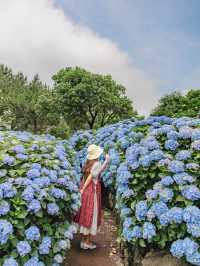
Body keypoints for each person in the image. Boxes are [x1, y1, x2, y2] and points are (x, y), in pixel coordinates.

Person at [73, 144, 110, 250]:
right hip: (92, 191)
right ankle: (87, 242)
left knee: (84, 213)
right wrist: (84, 189)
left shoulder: (88, 163)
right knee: (91, 214)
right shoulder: (97, 163)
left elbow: (97, 172)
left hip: (86, 191)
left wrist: (106, 162)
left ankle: (83, 241)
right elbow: (91, 177)